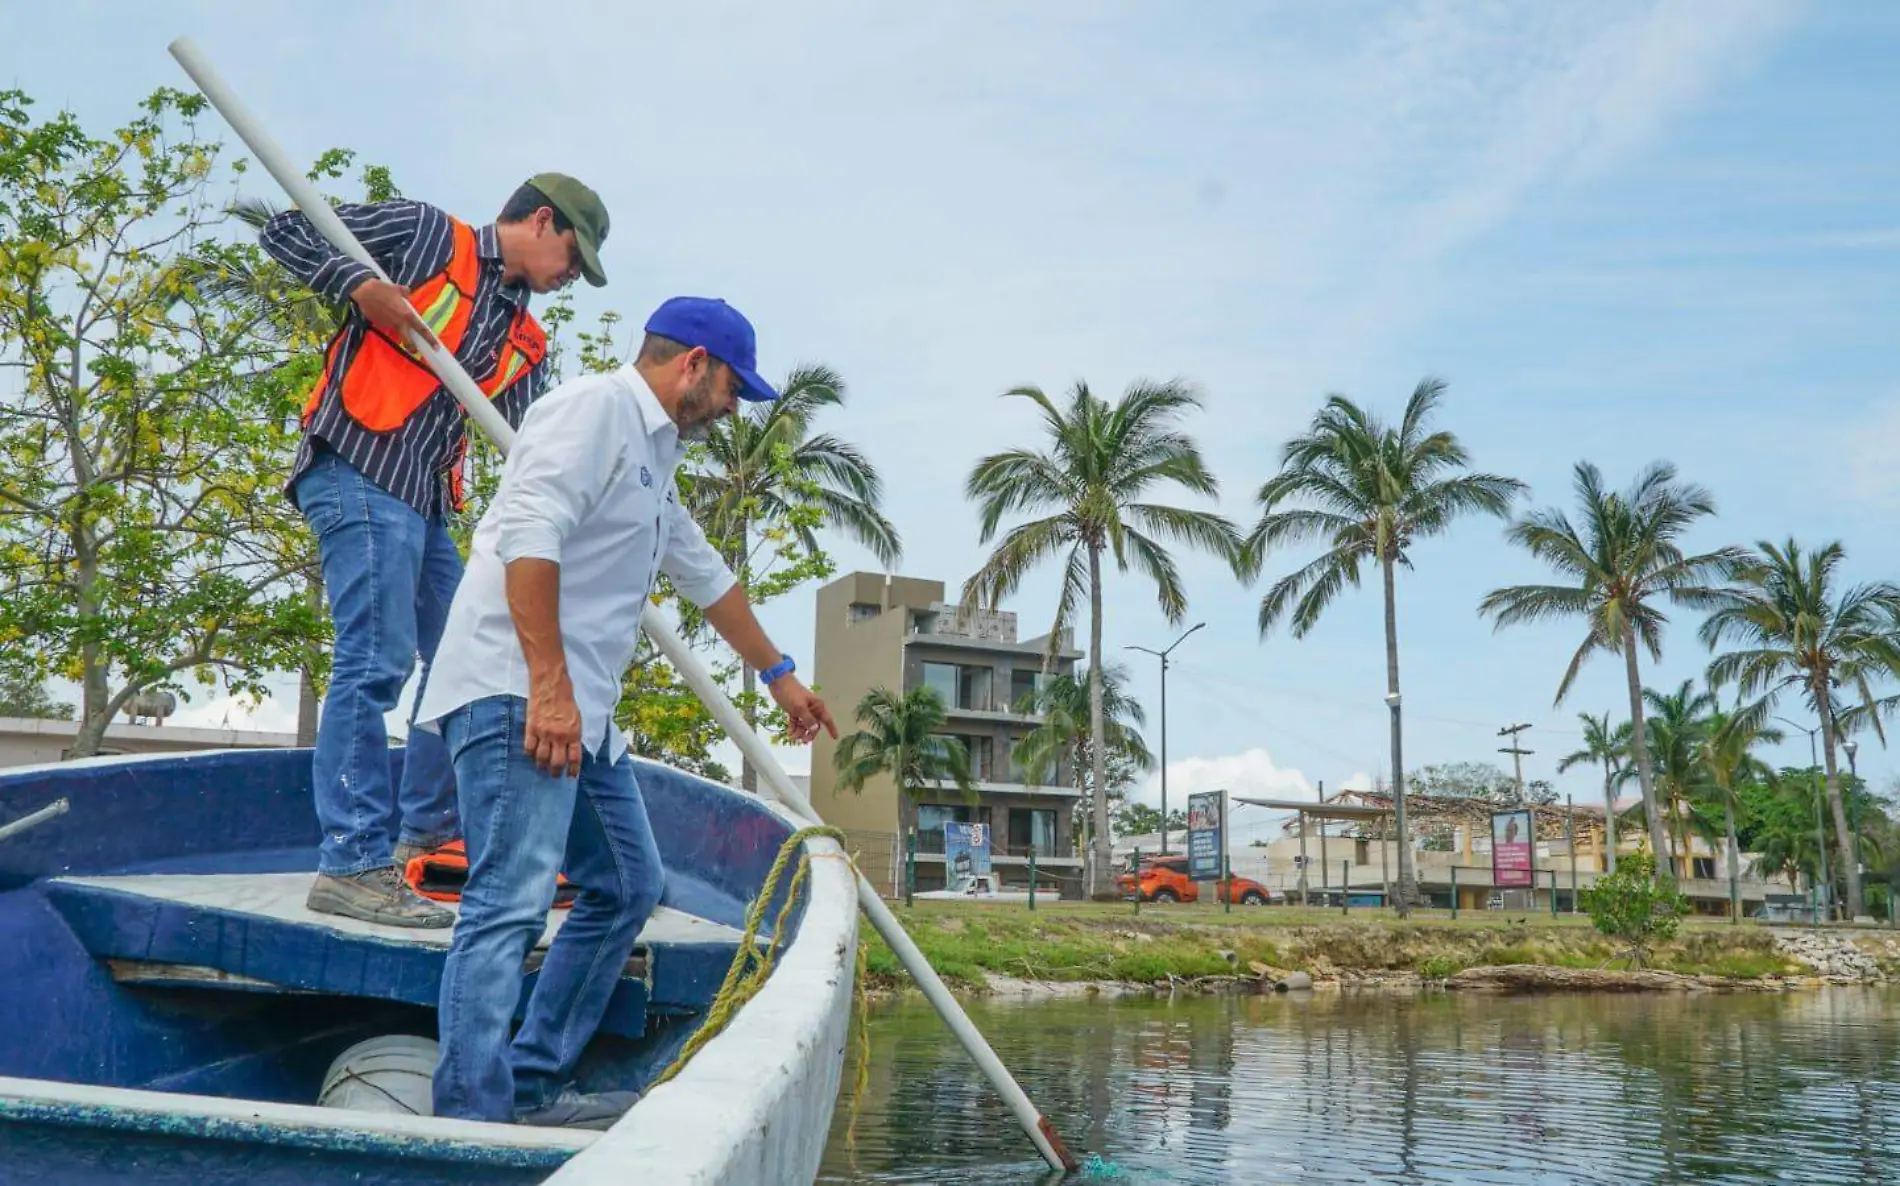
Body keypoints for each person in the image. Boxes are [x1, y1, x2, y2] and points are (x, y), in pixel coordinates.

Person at [413, 296, 836, 1128]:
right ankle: (471, 1117)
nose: (729, 409)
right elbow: (528, 539)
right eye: (729, 389)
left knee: (628, 883)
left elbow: (704, 575)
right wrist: (548, 688)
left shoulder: (655, 456)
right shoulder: (593, 411)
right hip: (516, 691)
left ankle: (530, 1085)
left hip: (582, 715)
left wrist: (782, 676)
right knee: (508, 903)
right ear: (694, 364)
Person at [260, 174, 612, 928]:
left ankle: (424, 836)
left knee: (464, 665)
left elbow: (535, 445)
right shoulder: (427, 235)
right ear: (542, 220)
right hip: (357, 463)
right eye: (574, 258)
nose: (572, 277)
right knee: (377, 657)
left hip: (424, 500)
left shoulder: (526, 338)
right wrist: (358, 284)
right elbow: (288, 229)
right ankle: (351, 861)